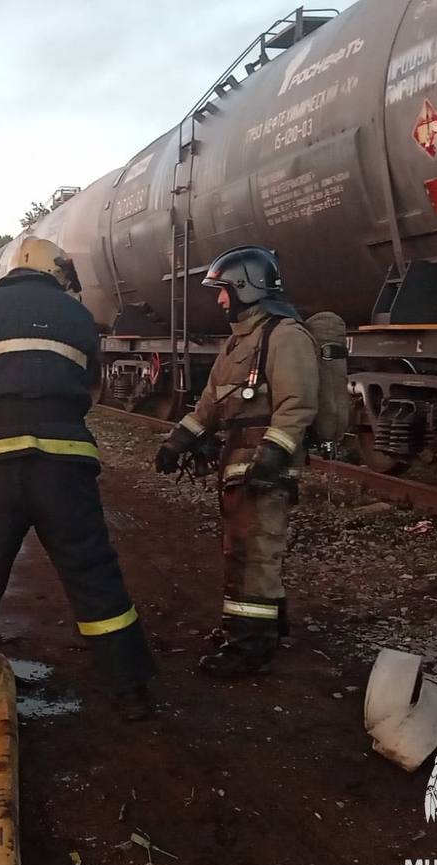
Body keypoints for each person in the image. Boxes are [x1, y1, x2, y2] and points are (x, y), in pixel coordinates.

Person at [0, 237, 156, 718]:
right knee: (93, 573)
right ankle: (129, 687)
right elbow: (92, 387)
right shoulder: (78, 318)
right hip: (66, 466)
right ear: (55, 273)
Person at [154, 245, 318, 677]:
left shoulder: (286, 336)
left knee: (256, 552)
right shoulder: (238, 343)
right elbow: (210, 405)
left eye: (224, 290)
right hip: (238, 460)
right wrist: (176, 442)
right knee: (242, 549)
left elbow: (297, 404)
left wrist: (274, 452)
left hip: (264, 462)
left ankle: (250, 646)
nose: (220, 299)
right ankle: (253, 628)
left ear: (247, 286)